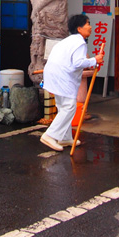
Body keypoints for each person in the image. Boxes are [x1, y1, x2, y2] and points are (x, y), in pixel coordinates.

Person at [40, 14, 104, 152]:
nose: (90, 26)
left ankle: (64, 137)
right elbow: (78, 63)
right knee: (69, 107)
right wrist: (95, 60)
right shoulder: (79, 42)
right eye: (87, 24)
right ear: (79, 28)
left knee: (63, 107)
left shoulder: (68, 41)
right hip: (62, 77)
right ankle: (50, 135)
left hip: (53, 75)